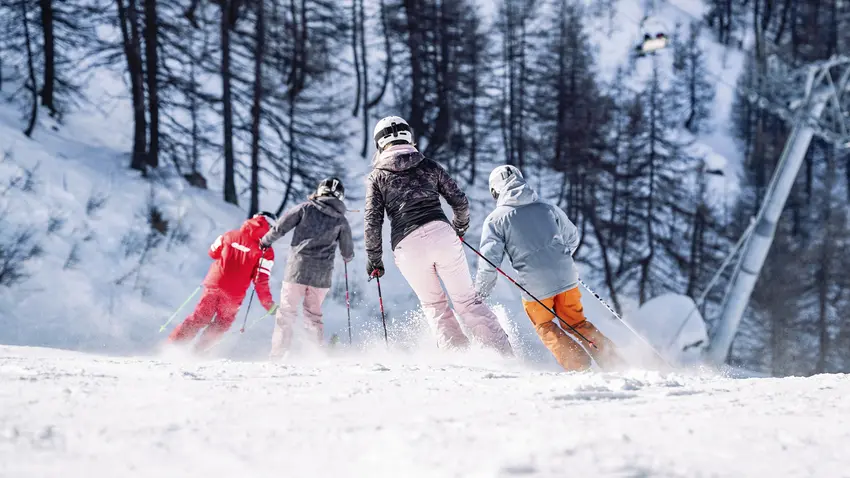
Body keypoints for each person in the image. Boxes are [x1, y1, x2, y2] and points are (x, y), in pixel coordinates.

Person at [364, 115, 512, 356]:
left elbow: (373, 221)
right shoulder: (429, 165)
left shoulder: (377, 177)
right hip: (442, 235)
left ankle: (459, 358)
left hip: (407, 246)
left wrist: (374, 259)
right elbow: (460, 201)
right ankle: (501, 356)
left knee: (435, 306)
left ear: (379, 143)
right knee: (466, 301)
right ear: (409, 136)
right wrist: (459, 228)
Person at [474, 165, 620, 371]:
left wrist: (481, 292)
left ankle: (579, 367)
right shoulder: (546, 207)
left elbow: (489, 261)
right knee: (577, 323)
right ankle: (613, 360)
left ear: (494, 191)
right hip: (567, 277)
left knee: (545, 326)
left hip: (535, 288)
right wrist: (559, 259)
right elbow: (572, 237)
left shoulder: (495, 220)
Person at [261, 177, 354, 359]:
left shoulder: (304, 209)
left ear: (319, 191)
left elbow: (280, 227)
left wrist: (265, 242)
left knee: (287, 312)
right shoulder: (341, 221)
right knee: (313, 315)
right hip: (322, 275)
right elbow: (348, 253)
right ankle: (315, 354)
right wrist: (346, 255)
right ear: (340, 197)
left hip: (298, 269)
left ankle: (278, 354)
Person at [168, 212, 278, 351]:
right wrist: (269, 305)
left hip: (214, 284)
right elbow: (261, 281)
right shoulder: (265, 251)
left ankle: (174, 346)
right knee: (222, 323)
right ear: (270, 228)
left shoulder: (229, 235)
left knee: (200, 316)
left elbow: (212, 252)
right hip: (233, 293)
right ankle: (198, 353)